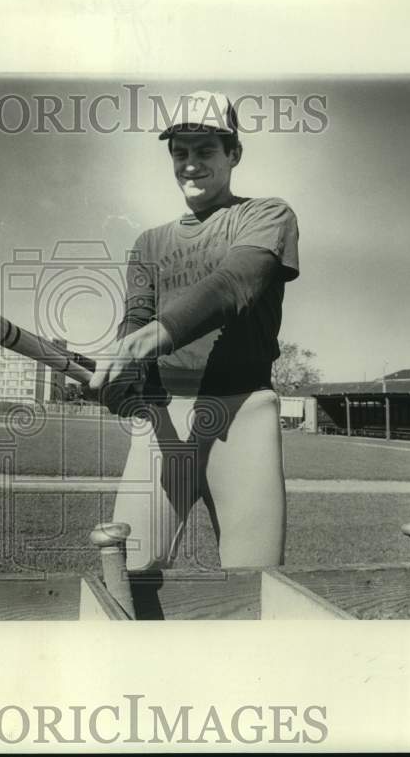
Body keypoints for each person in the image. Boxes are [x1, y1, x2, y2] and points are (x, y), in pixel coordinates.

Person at [89, 90, 300, 571]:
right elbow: (135, 320)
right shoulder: (149, 242)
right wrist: (124, 380)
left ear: (234, 154)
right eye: (180, 152)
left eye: (205, 150)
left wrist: (139, 343)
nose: (190, 163)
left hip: (242, 409)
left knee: (254, 582)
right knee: (129, 573)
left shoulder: (266, 215)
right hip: (163, 417)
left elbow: (234, 286)